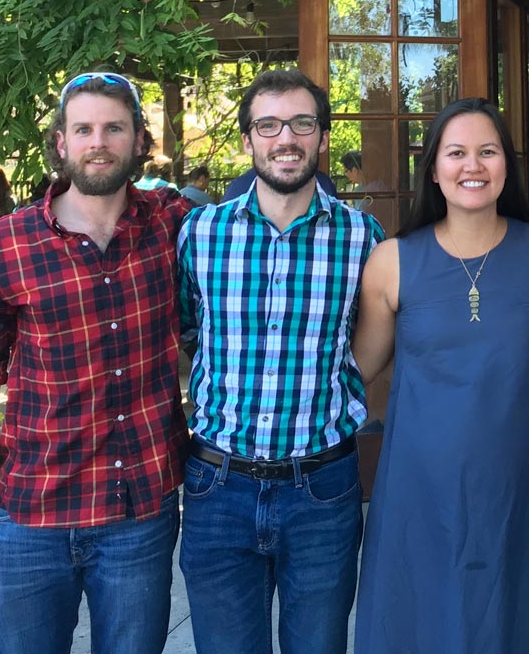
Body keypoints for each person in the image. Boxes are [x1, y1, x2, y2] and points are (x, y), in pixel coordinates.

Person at [0, 71, 190, 654]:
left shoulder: (174, 227)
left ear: (138, 142)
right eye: (83, 129)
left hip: (140, 516)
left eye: (113, 128)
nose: (97, 141)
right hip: (33, 514)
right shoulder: (6, 246)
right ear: (61, 142)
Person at [352, 97, 529, 654]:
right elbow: (357, 371)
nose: (473, 166)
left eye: (487, 152)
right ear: (433, 169)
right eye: (456, 153)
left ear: (507, 165)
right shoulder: (391, 261)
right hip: (422, 496)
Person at [176, 68, 383, 654]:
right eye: (267, 125)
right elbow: (183, 330)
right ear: (247, 140)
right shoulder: (200, 233)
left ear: (322, 136)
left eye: (300, 123)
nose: (284, 138)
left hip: (322, 489)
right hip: (219, 486)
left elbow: (369, 343)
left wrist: (334, 388)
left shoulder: (362, 238)